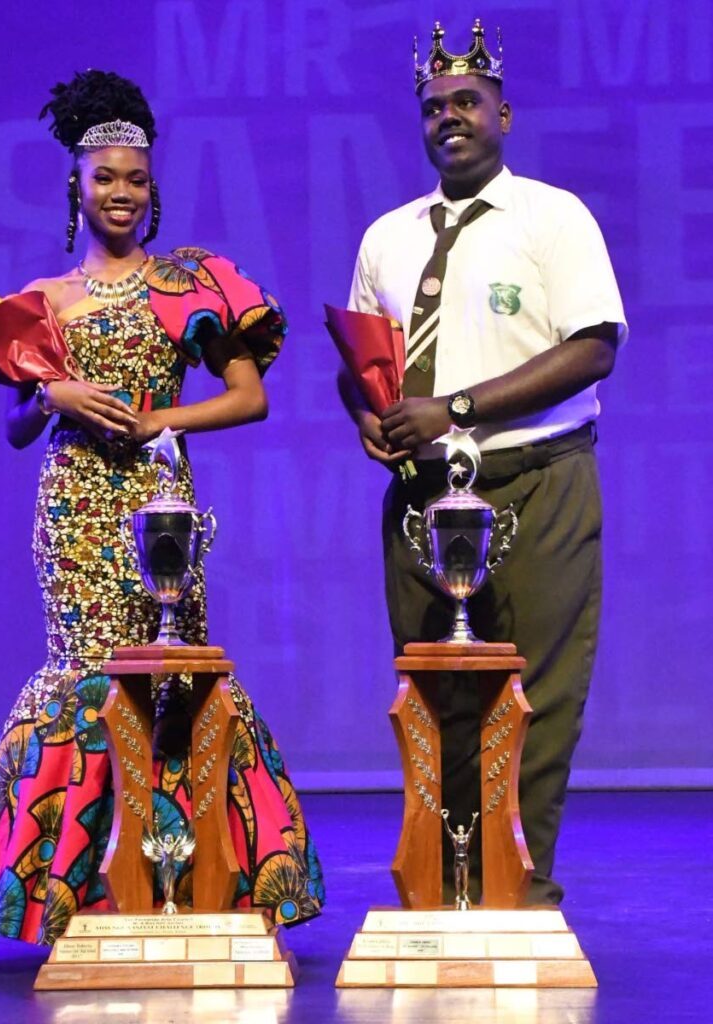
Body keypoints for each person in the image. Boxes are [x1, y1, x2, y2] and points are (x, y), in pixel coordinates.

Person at [0, 70, 323, 944]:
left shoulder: (190, 283)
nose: (121, 192)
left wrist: (161, 417)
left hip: (158, 506)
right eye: (105, 176)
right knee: (85, 676)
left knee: (169, 675)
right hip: (72, 507)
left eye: (136, 179)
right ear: (76, 184)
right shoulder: (43, 302)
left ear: (154, 190)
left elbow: (247, 396)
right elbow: (12, 428)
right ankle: (77, 894)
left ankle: (187, 880)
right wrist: (53, 397)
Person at [339, 21, 627, 905]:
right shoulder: (387, 234)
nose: (448, 118)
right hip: (423, 497)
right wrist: (368, 418)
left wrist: (453, 409)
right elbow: (361, 358)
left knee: (534, 695)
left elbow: (592, 348)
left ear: (503, 112)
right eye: (432, 108)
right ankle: (437, 884)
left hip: (534, 480)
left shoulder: (552, 216)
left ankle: (519, 886)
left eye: (466, 102)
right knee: (429, 698)